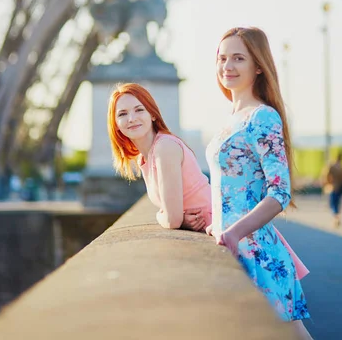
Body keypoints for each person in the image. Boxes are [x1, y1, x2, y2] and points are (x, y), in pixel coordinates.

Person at [206, 27, 312, 339]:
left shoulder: (262, 118)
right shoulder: (231, 119)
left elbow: (280, 192)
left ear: (258, 66)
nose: (228, 66)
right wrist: (217, 225)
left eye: (238, 58)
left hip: (256, 253)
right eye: (222, 58)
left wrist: (234, 231)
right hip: (237, 246)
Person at [107, 82, 211, 232]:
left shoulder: (165, 147)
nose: (131, 118)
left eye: (139, 110)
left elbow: (172, 220)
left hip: (221, 232)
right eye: (122, 114)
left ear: (153, 115)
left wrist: (160, 215)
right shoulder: (144, 157)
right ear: (115, 124)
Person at [325, 153, 342, 227]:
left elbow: (326, 175)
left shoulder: (332, 166)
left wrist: (328, 183)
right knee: (337, 203)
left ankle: (336, 218)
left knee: (333, 204)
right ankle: (337, 217)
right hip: (340, 188)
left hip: (333, 187)